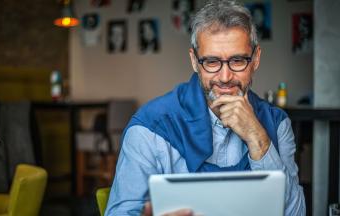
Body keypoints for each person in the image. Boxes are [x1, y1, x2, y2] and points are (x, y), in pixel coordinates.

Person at [105, 0, 306, 215]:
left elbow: (295, 213)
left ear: (255, 59)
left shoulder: (277, 123)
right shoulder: (150, 127)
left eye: (238, 60)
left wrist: (258, 138)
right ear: (194, 61)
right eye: (211, 62)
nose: (225, 77)